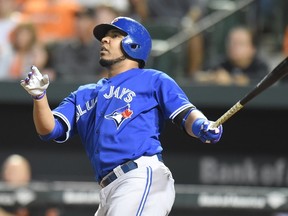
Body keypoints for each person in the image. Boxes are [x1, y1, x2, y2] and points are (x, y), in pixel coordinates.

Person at [20, 17, 223, 215]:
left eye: (114, 35)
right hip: (109, 189)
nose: (105, 40)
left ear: (134, 44)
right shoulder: (84, 94)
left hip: (139, 177)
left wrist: (202, 124)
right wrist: (39, 97)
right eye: (105, 37)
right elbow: (49, 130)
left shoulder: (153, 79)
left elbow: (186, 114)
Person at [195, 26, 270, 86]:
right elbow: (198, 76)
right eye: (232, 42)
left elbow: (263, 82)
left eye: (240, 43)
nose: (234, 46)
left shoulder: (260, 66)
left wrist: (231, 80)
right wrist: (214, 77)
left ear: (252, 49)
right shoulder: (221, 62)